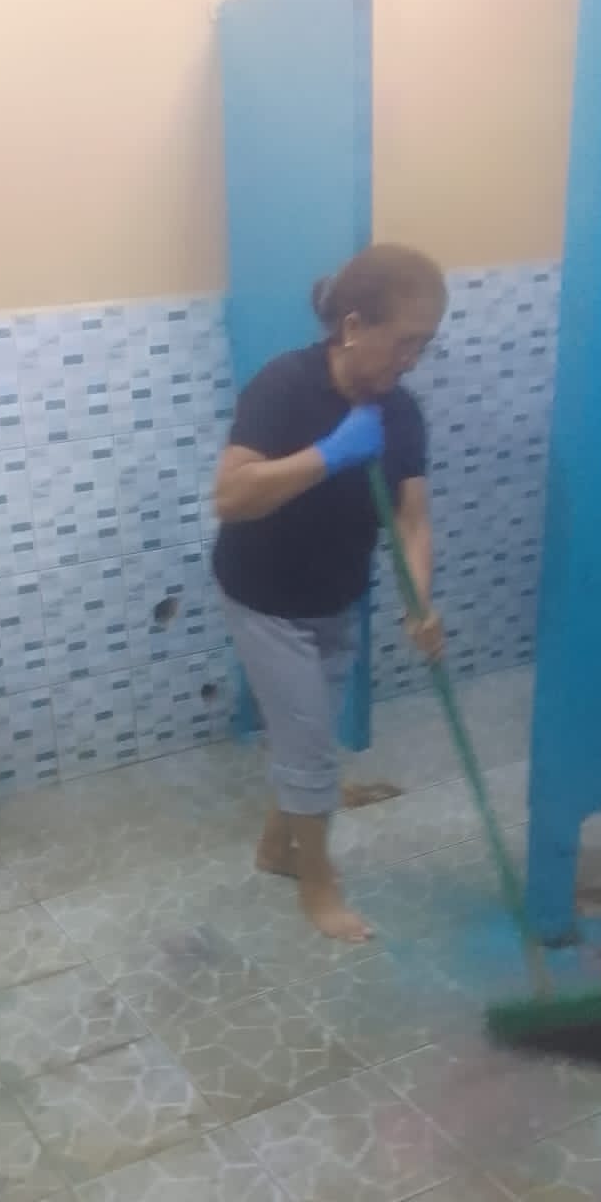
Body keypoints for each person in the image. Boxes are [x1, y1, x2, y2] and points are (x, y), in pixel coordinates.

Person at [212, 243, 448, 943]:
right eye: (403, 341)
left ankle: (274, 846)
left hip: (336, 597)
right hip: (263, 599)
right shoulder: (285, 387)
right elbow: (231, 496)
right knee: (313, 750)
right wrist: (328, 455)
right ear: (352, 326)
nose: (412, 360)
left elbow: (412, 519)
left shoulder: (400, 413)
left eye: (425, 345)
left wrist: (419, 600)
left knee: (304, 734)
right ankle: (318, 886)